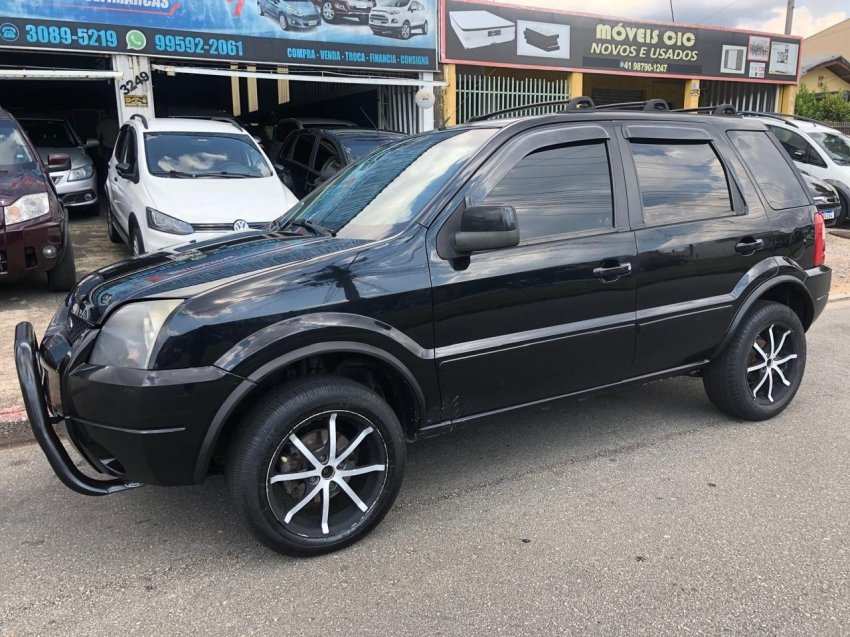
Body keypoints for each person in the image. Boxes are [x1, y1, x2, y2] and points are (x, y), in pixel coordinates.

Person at [96, 114, 119, 190]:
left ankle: (108, 183)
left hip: (110, 148)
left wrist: (99, 149)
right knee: (114, 166)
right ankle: (108, 184)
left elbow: (98, 138)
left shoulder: (103, 124)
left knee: (107, 166)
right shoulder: (116, 123)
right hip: (112, 148)